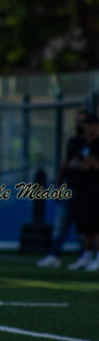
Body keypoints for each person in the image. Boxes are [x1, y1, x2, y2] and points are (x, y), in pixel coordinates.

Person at [40, 109, 88, 268]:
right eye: (77, 121)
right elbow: (66, 164)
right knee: (60, 224)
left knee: (85, 226)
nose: (78, 125)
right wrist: (58, 184)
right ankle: (54, 255)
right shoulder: (74, 141)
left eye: (82, 121)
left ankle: (85, 255)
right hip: (71, 188)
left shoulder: (93, 143)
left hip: (87, 191)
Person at [71, 113, 99, 271]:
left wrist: (82, 164)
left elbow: (89, 165)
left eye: (89, 125)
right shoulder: (83, 143)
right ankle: (87, 256)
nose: (86, 128)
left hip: (96, 189)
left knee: (96, 225)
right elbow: (73, 162)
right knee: (85, 224)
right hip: (83, 188)